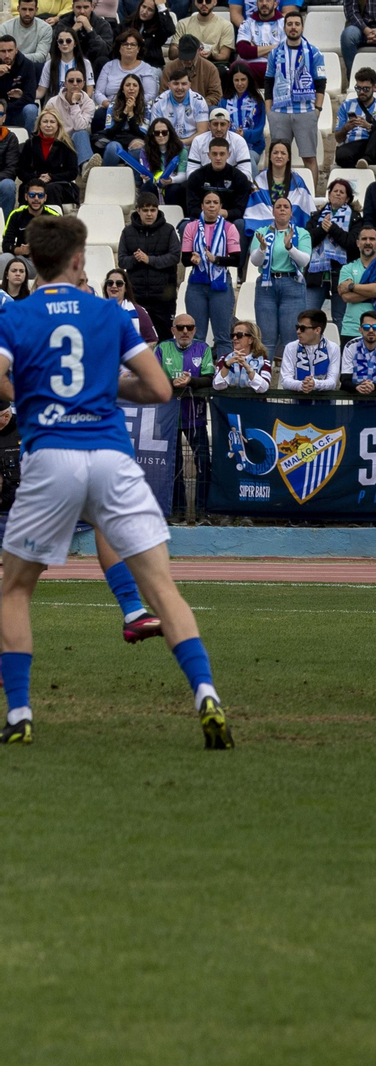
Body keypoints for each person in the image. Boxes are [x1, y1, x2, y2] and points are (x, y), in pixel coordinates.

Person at [0, 213, 231, 748]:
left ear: (32, 261)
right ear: (80, 260)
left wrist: (38, 397)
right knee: (162, 588)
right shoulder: (108, 313)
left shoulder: (16, 314)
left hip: (51, 455)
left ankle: (18, 715)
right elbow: (159, 390)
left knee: (14, 589)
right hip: (109, 454)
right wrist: (101, 389)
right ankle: (205, 694)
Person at [155, 313, 212, 515]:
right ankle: (177, 511)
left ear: (195, 329)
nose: (185, 331)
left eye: (189, 327)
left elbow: (209, 378)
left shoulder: (203, 348)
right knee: (173, 465)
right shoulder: (162, 348)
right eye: (180, 328)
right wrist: (172, 383)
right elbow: (154, 379)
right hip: (168, 417)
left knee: (203, 463)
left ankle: (203, 511)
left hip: (195, 416)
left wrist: (191, 382)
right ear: (173, 331)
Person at [248, 193, 310, 359]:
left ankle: (290, 383)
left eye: (286, 207)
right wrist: (262, 248)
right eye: (278, 207)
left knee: (291, 339)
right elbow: (255, 261)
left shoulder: (301, 233)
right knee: (266, 339)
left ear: (291, 213)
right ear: (273, 212)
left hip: (293, 285)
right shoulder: (261, 232)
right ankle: (265, 381)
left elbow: (304, 260)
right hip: (266, 286)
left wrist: (290, 247)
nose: (282, 209)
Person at [260, 10, 323, 173]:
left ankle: (312, 196)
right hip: (279, 112)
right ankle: (279, 196)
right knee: (278, 158)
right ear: (284, 27)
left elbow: (320, 82)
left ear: (302, 27)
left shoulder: (314, 52)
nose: (293, 28)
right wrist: (269, 111)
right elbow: (268, 81)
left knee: (309, 158)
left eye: (297, 24)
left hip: (305, 111)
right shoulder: (274, 53)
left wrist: (317, 109)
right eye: (289, 24)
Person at [179, 189, 239, 349]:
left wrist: (216, 259)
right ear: (202, 206)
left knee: (223, 336)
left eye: (215, 203)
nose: (211, 206)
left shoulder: (229, 228)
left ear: (220, 206)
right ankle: (197, 372)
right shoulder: (191, 227)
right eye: (208, 202)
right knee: (196, 335)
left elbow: (237, 259)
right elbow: (184, 259)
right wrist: (193, 259)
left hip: (221, 284)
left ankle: (223, 373)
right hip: (197, 284)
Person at [116, 190, 178, 337]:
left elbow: (175, 257)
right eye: (145, 210)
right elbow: (122, 260)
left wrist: (149, 259)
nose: (149, 214)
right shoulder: (127, 232)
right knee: (138, 340)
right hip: (137, 296)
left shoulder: (168, 230)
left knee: (165, 340)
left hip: (164, 298)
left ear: (158, 210)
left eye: (153, 210)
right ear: (138, 210)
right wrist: (136, 258)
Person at [307, 177, 357, 337]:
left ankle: (344, 355)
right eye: (335, 191)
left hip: (341, 275)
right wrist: (322, 229)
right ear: (329, 195)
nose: (337, 194)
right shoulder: (316, 216)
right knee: (308, 317)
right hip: (316, 275)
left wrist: (333, 229)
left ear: (347, 198)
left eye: (342, 192)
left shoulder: (355, 218)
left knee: (340, 319)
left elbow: (353, 244)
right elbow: (307, 240)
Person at [338, 222, 376, 337]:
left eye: (372, 239)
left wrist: (352, 287)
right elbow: (346, 297)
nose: (368, 242)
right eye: (364, 239)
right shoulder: (347, 268)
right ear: (358, 243)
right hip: (351, 329)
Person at [333, 65, 376, 167]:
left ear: (374, 87)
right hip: (353, 145)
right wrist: (345, 129)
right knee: (341, 155)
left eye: (366, 89)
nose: (361, 92)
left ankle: (366, 159)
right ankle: (361, 164)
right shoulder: (346, 105)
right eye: (358, 88)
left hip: (375, 146)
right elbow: (338, 139)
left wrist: (369, 126)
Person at [20, 107, 79, 204]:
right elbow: (22, 171)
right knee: (29, 190)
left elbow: (73, 172)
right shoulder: (30, 143)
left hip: (59, 184)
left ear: (58, 125)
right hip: (34, 182)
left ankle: (52, 219)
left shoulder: (67, 144)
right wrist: (37, 179)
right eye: (45, 121)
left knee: (51, 189)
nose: (48, 125)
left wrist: (51, 177)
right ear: (39, 124)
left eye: (52, 122)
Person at [182, 134, 249, 218]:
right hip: (202, 218)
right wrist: (208, 213)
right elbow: (191, 209)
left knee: (240, 224)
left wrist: (225, 213)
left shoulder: (239, 177)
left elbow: (240, 210)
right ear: (208, 155)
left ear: (228, 154)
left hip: (228, 220)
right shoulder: (196, 176)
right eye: (214, 154)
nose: (218, 158)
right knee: (184, 225)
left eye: (222, 154)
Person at [277, 306, 340, 390]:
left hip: (325, 402)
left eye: (302, 328)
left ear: (317, 330)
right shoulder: (291, 347)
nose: (298, 331)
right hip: (297, 401)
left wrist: (315, 384)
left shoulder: (333, 348)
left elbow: (332, 382)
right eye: (297, 327)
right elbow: (285, 380)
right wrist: (302, 385)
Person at [43, 64, 94, 167]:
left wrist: (75, 104)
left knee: (81, 133)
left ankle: (85, 167)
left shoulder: (89, 103)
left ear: (83, 83)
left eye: (78, 81)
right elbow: (45, 126)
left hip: (77, 143)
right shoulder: (53, 102)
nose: (75, 84)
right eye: (71, 81)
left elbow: (80, 126)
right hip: (58, 141)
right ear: (65, 83)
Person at [90, 70, 145, 161]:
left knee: (137, 146)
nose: (131, 88)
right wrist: (125, 111)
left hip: (135, 141)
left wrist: (131, 114)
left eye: (135, 85)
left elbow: (140, 134)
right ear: (123, 90)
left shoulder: (146, 108)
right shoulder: (113, 106)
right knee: (113, 147)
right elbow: (111, 132)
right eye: (127, 85)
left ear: (139, 89)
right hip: (116, 141)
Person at [183, 103, 249, 175]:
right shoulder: (198, 141)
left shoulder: (239, 141)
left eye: (222, 124)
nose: (219, 129)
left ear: (229, 126)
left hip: (232, 182)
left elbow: (246, 173)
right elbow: (191, 171)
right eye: (215, 124)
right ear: (209, 125)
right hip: (205, 182)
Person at [95, 27, 157, 102]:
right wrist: (108, 105)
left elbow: (150, 95)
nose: (129, 47)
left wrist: (131, 105)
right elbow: (98, 93)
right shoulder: (108, 66)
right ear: (119, 48)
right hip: (110, 107)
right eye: (125, 44)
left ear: (138, 49)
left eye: (133, 45)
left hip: (137, 108)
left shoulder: (146, 68)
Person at [134, 113, 186, 202]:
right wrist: (145, 178)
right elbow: (146, 176)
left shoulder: (181, 149)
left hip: (172, 183)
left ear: (170, 133)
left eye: (164, 132)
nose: (161, 135)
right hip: (153, 184)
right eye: (157, 133)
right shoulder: (145, 150)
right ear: (152, 134)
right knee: (146, 187)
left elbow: (183, 175)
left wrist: (171, 180)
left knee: (174, 189)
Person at [173, 0, 235, 72]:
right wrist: (189, 52)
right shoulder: (183, 23)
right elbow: (172, 53)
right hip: (187, 63)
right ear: (195, 2)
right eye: (200, 1)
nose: (204, 4)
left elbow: (225, 56)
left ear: (214, 2)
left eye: (208, 1)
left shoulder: (226, 25)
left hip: (214, 64)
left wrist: (212, 54)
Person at [340, 0, 376, 94]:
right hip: (360, 29)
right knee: (348, 36)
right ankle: (353, 78)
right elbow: (351, 13)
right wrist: (366, 30)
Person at [148, 65, 207, 138]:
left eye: (184, 84)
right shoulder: (159, 102)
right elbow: (156, 130)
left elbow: (202, 132)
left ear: (190, 85)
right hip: (168, 143)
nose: (180, 87)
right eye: (176, 84)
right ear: (169, 85)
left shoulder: (199, 101)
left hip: (193, 143)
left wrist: (183, 143)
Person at [0, 34, 43, 134]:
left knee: (31, 109)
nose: (7, 55)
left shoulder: (27, 65)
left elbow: (30, 97)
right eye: (2, 51)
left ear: (16, 50)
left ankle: (28, 142)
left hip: (18, 108)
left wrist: (8, 107)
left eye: (10, 50)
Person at [103, 266, 157, 344]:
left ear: (126, 288)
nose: (114, 286)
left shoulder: (139, 312)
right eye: (110, 283)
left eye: (119, 283)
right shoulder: (97, 310)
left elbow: (152, 341)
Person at [2, 179, 59, 253]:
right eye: (32, 195)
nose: (36, 198)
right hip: (22, 259)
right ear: (26, 197)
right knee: (4, 258)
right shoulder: (15, 215)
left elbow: (63, 244)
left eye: (40, 195)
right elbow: (6, 245)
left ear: (45, 198)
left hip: (47, 259)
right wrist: (21, 250)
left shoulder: (55, 217)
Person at [213, 317, 270, 391]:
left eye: (239, 335)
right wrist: (227, 365)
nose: (235, 338)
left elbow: (263, 388)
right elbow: (217, 386)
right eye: (233, 335)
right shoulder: (225, 358)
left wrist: (247, 367)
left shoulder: (262, 359)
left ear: (251, 339)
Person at [221, 61, 264, 156]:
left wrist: (245, 134)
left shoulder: (258, 101)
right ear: (232, 81)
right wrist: (234, 134)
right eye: (236, 80)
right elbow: (220, 126)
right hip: (228, 147)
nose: (240, 83)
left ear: (249, 79)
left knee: (249, 161)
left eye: (243, 79)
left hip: (253, 147)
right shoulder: (224, 101)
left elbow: (259, 129)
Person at [162, 41, 224, 107]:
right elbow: (163, 93)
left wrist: (199, 104)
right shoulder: (169, 68)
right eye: (185, 57)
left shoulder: (210, 68)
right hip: (173, 107)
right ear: (178, 51)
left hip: (202, 107)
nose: (188, 61)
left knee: (214, 110)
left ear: (199, 51)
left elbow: (216, 94)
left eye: (191, 57)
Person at [232, 0, 283, 81]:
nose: (264, 3)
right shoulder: (247, 24)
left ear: (275, 4)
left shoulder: (284, 24)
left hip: (277, 66)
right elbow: (243, 51)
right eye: (261, 1)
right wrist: (276, 47)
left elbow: (286, 51)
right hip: (250, 66)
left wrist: (255, 48)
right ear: (257, 4)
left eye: (268, 1)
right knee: (235, 68)